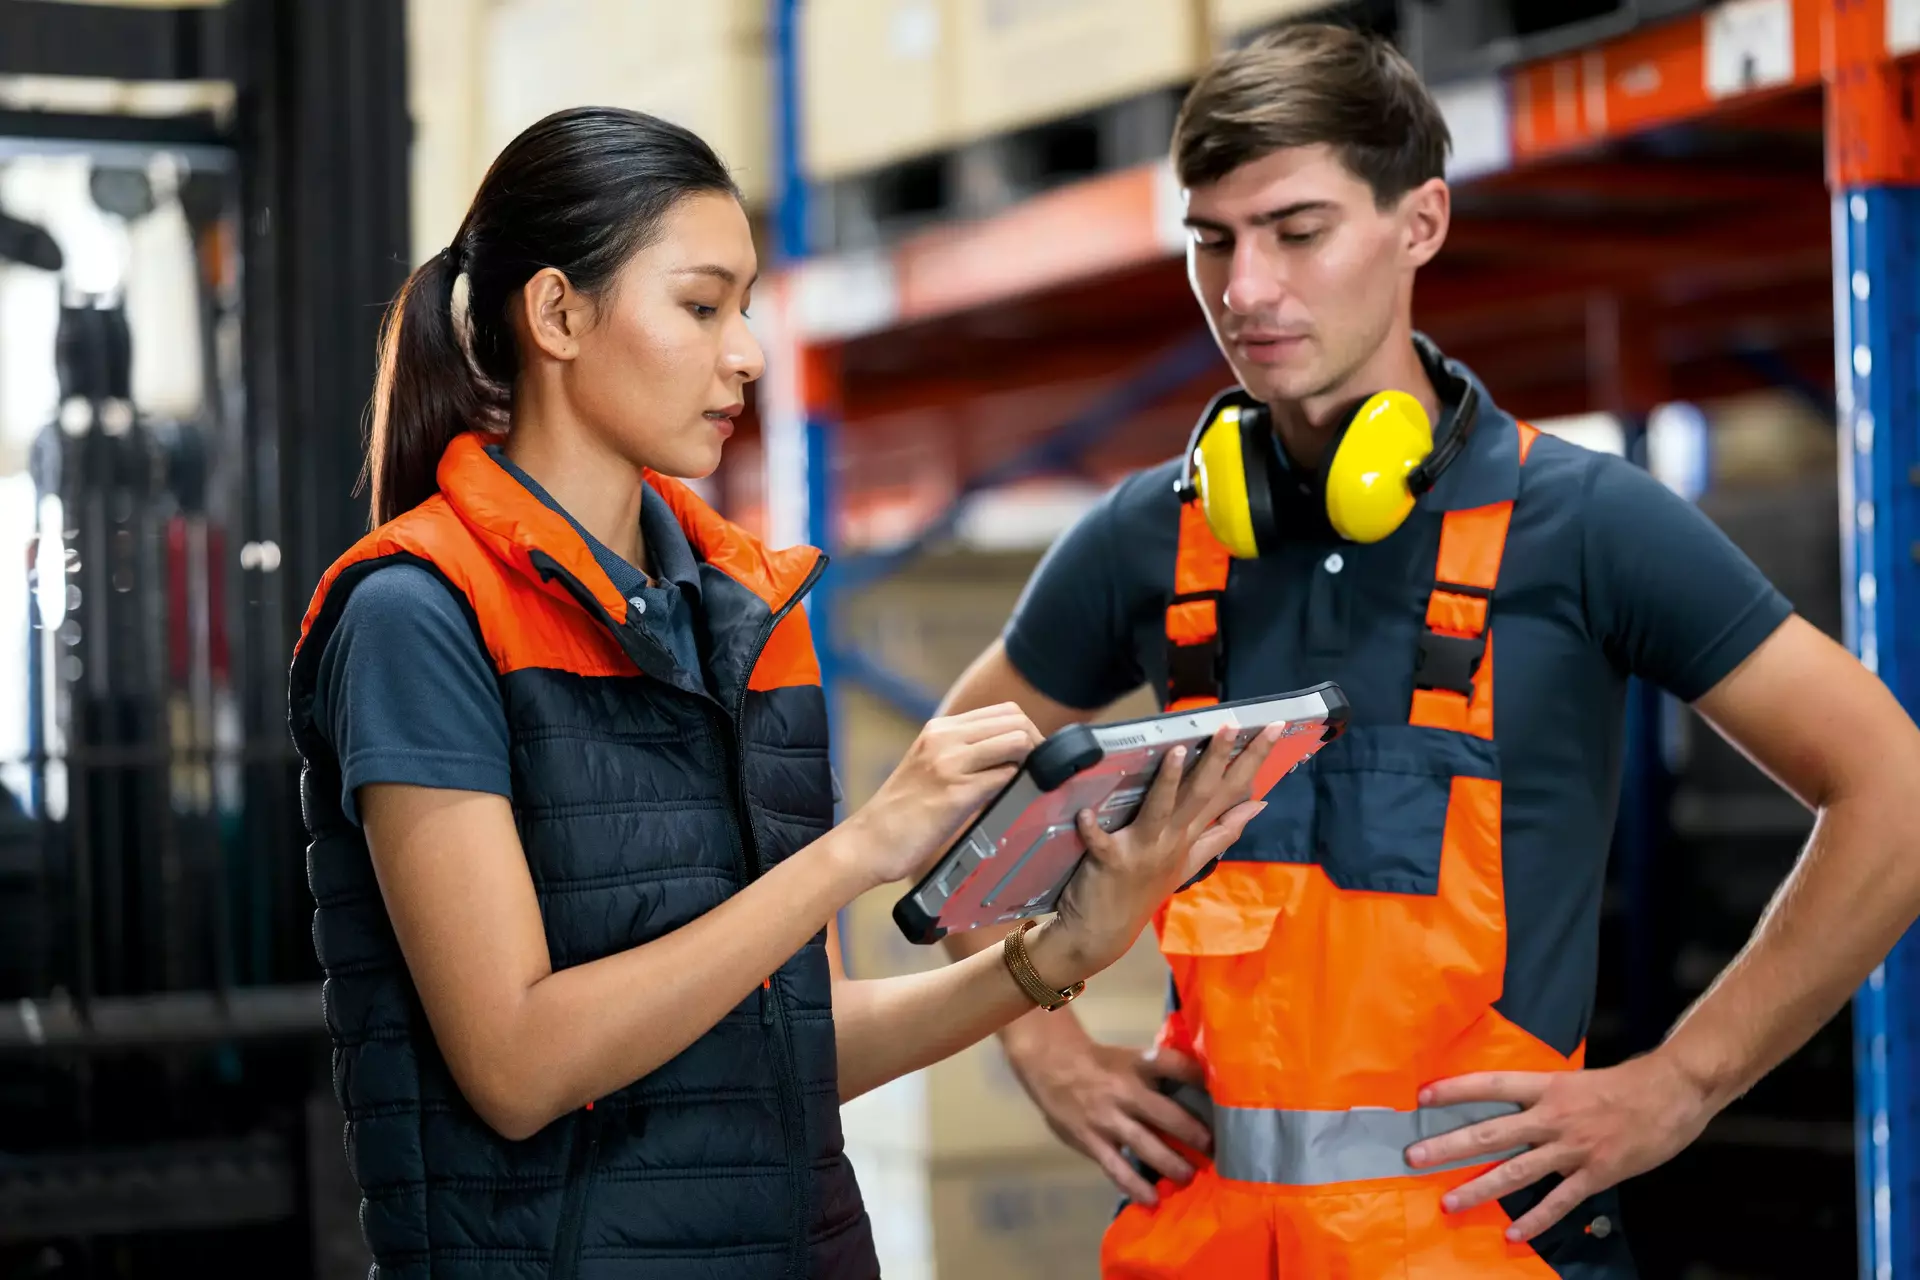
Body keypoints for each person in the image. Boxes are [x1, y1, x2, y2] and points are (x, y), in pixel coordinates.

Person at [933, 22, 1920, 1279]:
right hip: (1208, 1244)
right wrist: (1039, 1042)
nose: (1246, 288)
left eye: (1298, 230)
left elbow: (1894, 789)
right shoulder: (1151, 537)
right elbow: (947, 795)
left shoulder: (1584, 522)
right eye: (1212, 239)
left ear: (1422, 223)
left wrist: (1684, 1081)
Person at [284, 106, 1283, 1280]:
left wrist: (1057, 954)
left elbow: (800, 1043)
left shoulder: (745, 616)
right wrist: (857, 850)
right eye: (703, 306)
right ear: (557, 312)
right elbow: (516, 1063)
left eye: (746, 306)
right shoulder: (419, 617)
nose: (748, 350)